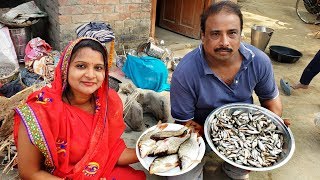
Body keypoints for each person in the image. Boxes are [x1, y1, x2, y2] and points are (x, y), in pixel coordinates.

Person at [170, 1, 283, 179]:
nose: (224, 42)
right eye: (215, 34)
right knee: (180, 176)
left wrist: (268, 127)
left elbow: (273, 105)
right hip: (200, 131)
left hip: (245, 129)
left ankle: (232, 170)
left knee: (253, 161)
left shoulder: (259, 61)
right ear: (203, 36)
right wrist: (208, 135)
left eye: (232, 33)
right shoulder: (185, 72)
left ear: (240, 35)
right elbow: (184, 122)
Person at [13, 37, 146, 179]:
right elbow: (29, 172)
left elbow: (110, 152)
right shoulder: (41, 110)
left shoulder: (108, 102)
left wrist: (149, 149)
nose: (90, 75)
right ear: (65, 68)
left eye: (98, 68)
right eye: (81, 66)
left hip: (99, 169)